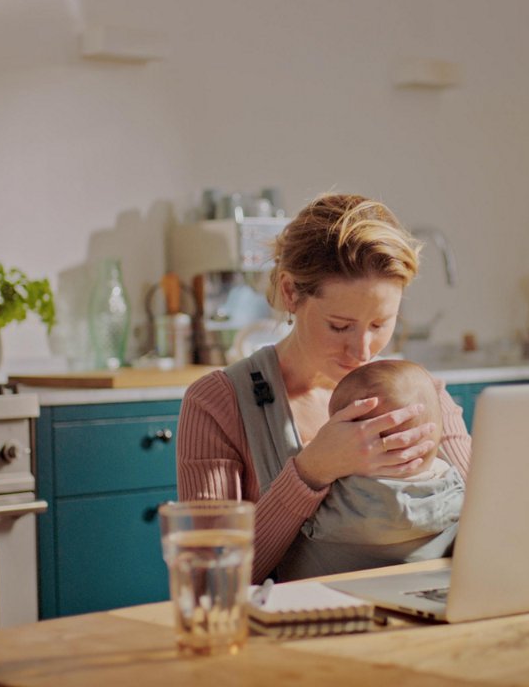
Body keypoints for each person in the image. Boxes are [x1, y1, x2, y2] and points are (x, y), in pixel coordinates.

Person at [177, 193, 472, 583]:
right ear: (290, 293)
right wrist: (311, 471)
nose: (362, 350)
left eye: (381, 324)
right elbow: (210, 580)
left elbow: (489, 526)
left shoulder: (424, 395)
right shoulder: (217, 404)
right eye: (340, 325)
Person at [291, 359, 465, 577]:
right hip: (424, 586)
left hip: (336, 592)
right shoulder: (451, 483)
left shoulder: (341, 488)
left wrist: (313, 455)